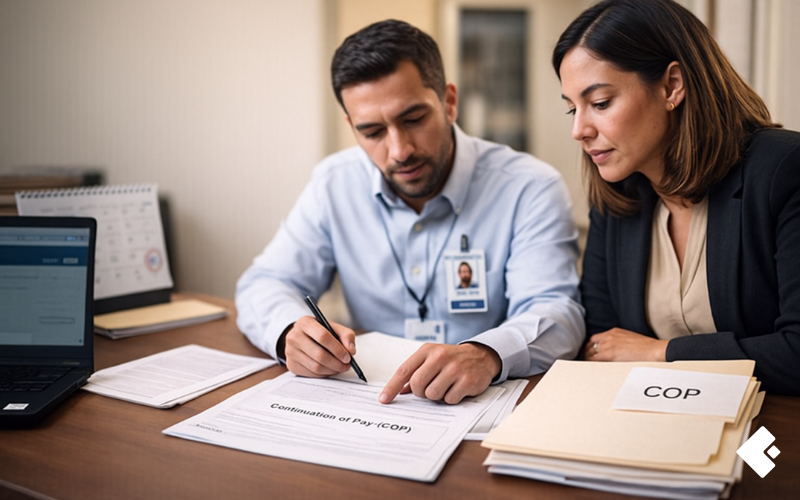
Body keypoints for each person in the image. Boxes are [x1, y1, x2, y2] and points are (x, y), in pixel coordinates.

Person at [236, 19, 584, 405]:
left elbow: (558, 313)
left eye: (413, 120)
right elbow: (263, 282)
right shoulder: (334, 183)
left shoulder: (529, 187)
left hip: (479, 403)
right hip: (371, 403)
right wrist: (288, 331)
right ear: (353, 128)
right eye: (372, 132)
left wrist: (486, 354)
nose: (399, 150)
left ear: (449, 102)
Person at [553, 0, 800, 395]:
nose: (579, 130)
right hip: (654, 420)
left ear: (672, 85)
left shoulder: (783, 170)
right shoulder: (616, 198)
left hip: (769, 434)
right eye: (572, 110)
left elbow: (796, 353)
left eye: (599, 103)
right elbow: (601, 345)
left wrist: (661, 353)